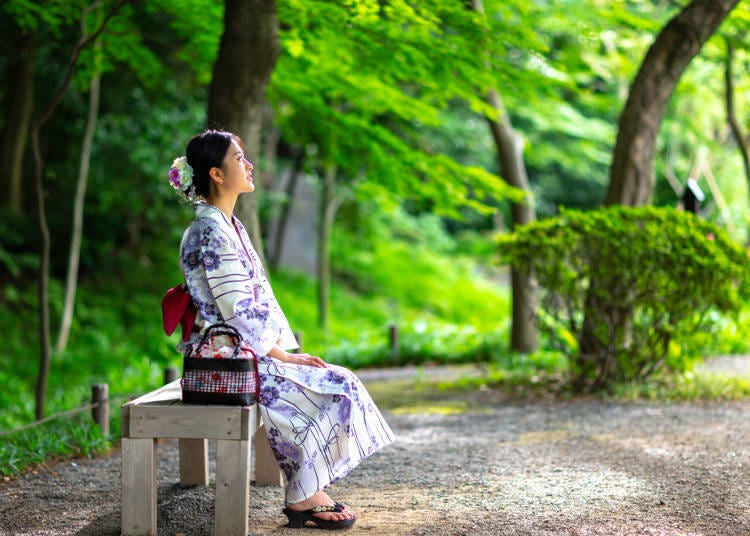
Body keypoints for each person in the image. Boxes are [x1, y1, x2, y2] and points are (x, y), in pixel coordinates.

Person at [167, 129, 394, 530]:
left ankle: (305, 492)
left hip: (243, 352)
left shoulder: (226, 225)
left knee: (335, 380)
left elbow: (254, 301)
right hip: (230, 357)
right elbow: (236, 309)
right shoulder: (209, 231)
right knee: (336, 385)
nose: (249, 164)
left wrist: (282, 350)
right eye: (239, 158)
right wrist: (282, 355)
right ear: (217, 174)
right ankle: (304, 496)